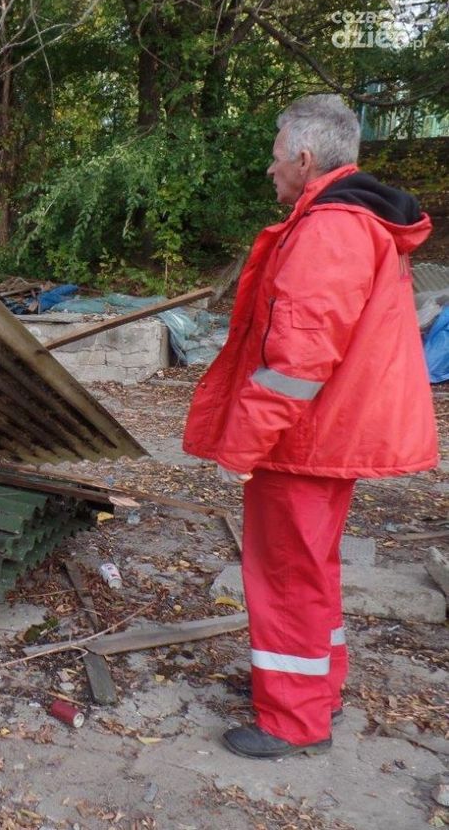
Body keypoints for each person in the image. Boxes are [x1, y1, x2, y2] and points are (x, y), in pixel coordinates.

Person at [184, 94, 437, 759]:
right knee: (311, 566)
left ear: (303, 157)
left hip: (304, 439)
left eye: (275, 158)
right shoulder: (355, 221)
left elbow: (296, 360)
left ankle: (294, 720)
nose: (269, 170)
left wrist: (243, 444)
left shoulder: (329, 230)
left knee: (285, 574)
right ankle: (312, 688)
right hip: (324, 434)